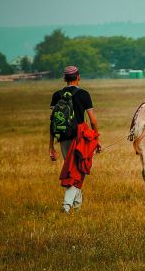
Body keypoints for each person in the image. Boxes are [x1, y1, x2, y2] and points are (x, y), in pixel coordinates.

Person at [49, 65, 101, 213]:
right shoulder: (84, 94)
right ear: (78, 77)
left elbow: (53, 122)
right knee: (76, 171)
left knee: (73, 168)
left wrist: (51, 146)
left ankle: (77, 206)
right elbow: (93, 120)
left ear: (65, 78)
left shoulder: (56, 95)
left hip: (63, 136)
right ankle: (66, 206)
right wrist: (95, 138)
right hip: (79, 135)